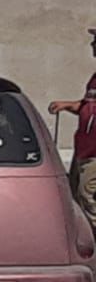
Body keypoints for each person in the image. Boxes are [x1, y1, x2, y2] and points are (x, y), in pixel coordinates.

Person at [49, 26, 96, 227]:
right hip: (84, 150)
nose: (93, 45)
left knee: (88, 198)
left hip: (94, 154)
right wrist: (68, 105)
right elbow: (88, 106)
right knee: (78, 196)